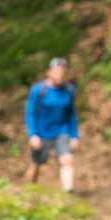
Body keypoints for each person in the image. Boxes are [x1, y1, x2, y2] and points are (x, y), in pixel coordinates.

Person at [24, 57, 79, 192]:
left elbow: (72, 114)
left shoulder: (69, 90)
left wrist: (75, 135)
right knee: (37, 162)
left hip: (62, 131)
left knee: (67, 160)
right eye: (57, 71)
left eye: (62, 71)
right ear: (49, 72)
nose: (60, 74)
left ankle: (68, 191)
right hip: (42, 133)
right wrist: (33, 135)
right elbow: (30, 113)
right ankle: (29, 188)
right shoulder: (39, 91)